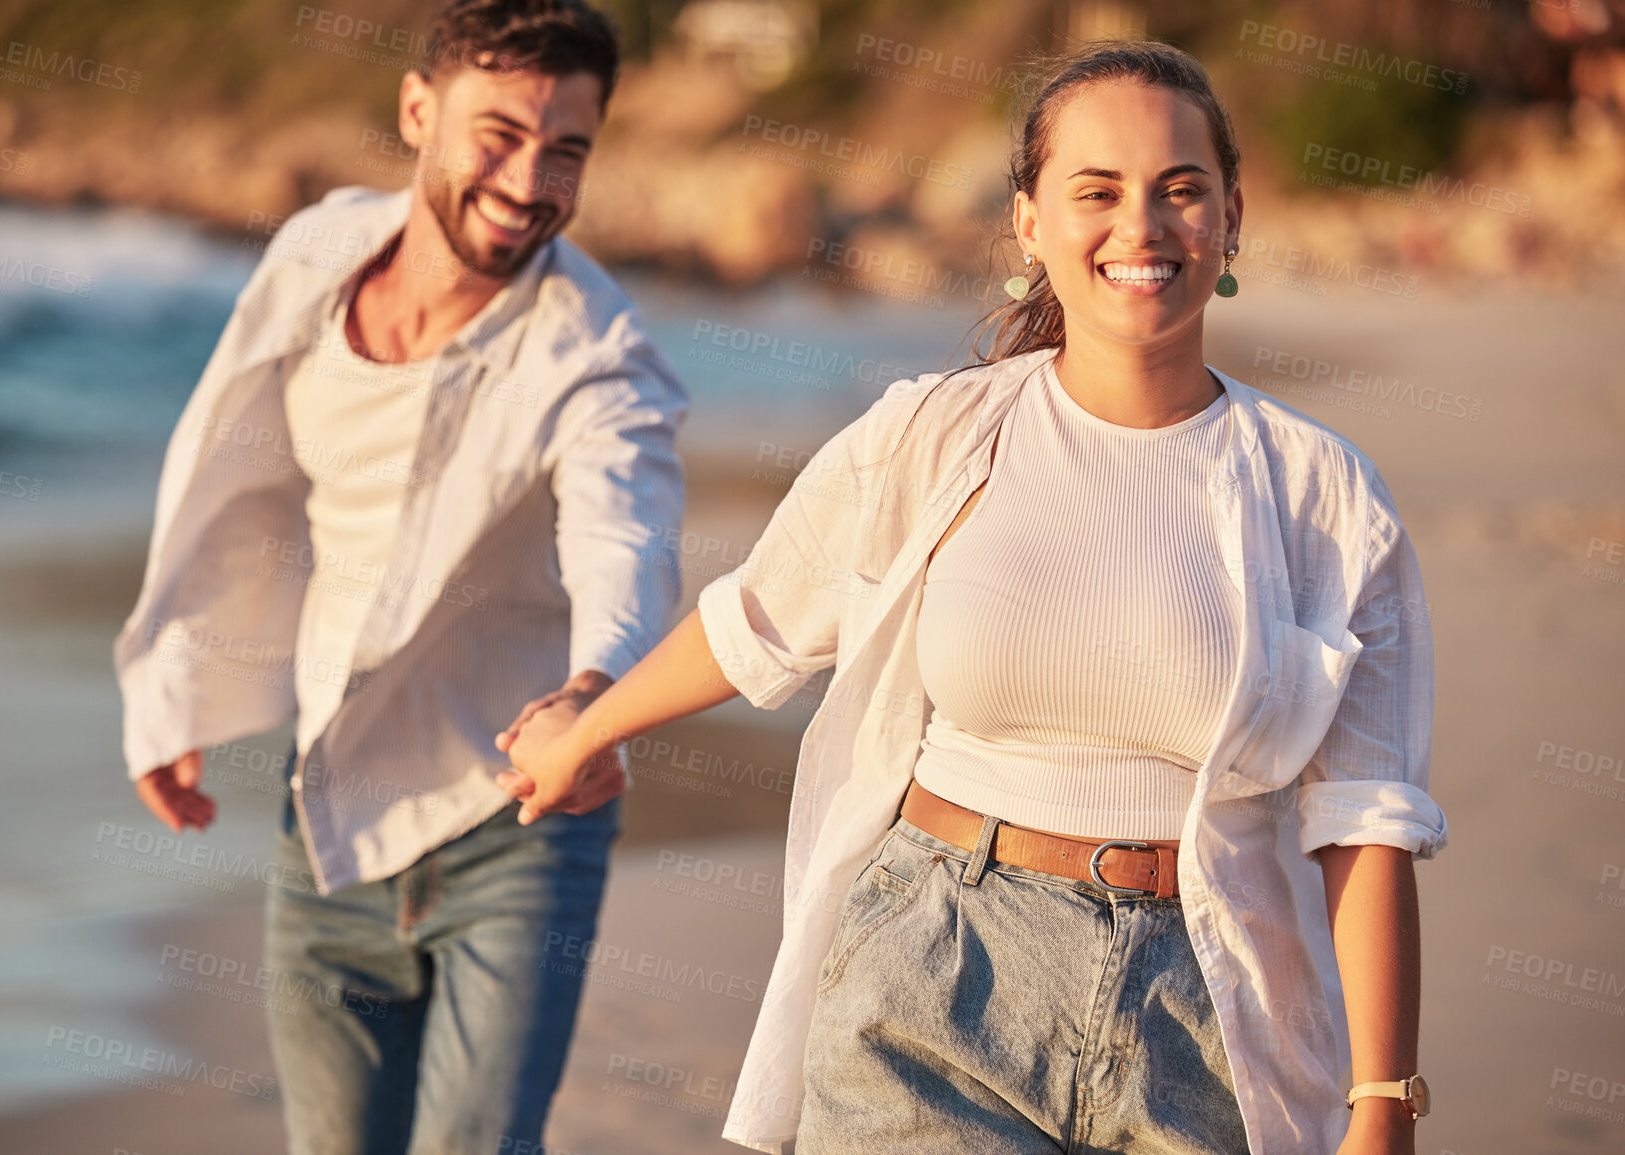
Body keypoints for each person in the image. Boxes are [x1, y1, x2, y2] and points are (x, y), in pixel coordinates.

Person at [497, 39, 1445, 1155]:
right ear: (1032, 222)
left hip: (1207, 1014)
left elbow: (1365, 820)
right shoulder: (936, 433)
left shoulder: (1324, 496)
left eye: (1179, 190)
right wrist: (585, 729)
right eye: (1096, 191)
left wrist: (1382, 1105)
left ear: (1231, 217)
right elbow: (761, 615)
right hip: (939, 971)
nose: (1140, 227)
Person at [112, 1, 687, 1151]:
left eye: (567, 148)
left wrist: (597, 685)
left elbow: (626, 535)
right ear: (417, 110)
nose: (531, 180)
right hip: (325, 807)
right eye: (500, 133)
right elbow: (236, 475)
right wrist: (177, 687)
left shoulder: (596, 351)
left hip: (517, 818)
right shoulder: (319, 251)